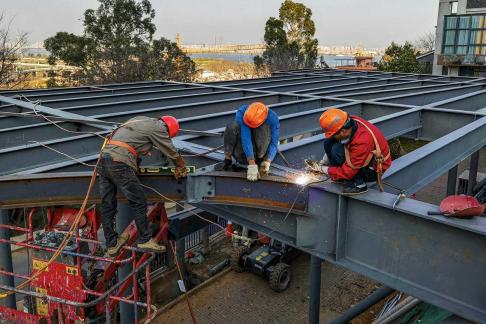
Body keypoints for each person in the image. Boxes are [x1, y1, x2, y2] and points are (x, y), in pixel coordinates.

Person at [98, 115, 187, 256]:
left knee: (107, 205)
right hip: (119, 162)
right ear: (168, 129)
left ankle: (112, 243)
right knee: (139, 203)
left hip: (104, 160)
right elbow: (170, 150)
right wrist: (181, 167)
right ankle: (145, 239)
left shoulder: (138, 120)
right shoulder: (159, 127)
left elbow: (131, 144)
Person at [307, 108, 392, 195]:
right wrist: (323, 162)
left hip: (373, 170)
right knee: (328, 142)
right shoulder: (348, 121)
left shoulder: (362, 141)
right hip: (362, 157)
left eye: (334, 134)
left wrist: (321, 169)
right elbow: (331, 141)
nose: (333, 136)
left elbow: (348, 172)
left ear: (343, 131)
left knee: (337, 150)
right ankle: (339, 177)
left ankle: (358, 184)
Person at [222, 102, 280, 181]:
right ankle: (227, 160)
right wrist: (251, 163)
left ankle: (260, 160)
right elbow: (246, 137)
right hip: (241, 153)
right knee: (232, 126)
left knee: (263, 129)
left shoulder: (272, 117)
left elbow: (274, 141)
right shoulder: (242, 112)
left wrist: (268, 161)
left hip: (259, 152)